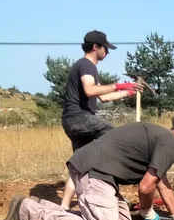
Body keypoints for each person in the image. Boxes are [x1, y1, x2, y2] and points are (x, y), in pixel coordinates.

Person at [3, 118, 174, 220]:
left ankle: (41, 208)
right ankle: (27, 211)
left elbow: (161, 182)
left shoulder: (161, 138)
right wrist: (147, 213)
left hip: (102, 175)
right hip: (95, 172)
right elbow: (147, 186)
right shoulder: (171, 144)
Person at [59, 30, 143, 210]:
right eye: (106, 48)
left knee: (80, 164)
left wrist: (129, 91)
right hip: (80, 118)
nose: (108, 51)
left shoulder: (83, 66)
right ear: (95, 47)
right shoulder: (87, 65)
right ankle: (116, 196)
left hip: (71, 121)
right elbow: (90, 90)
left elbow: (103, 97)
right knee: (118, 140)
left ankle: (64, 207)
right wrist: (120, 84)